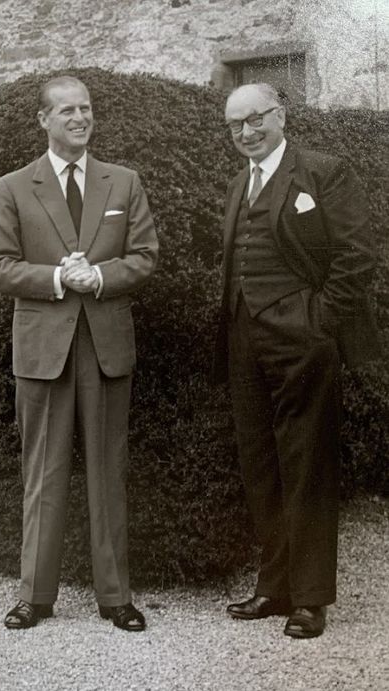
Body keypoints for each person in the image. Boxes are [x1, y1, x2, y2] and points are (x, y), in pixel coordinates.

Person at [0, 76, 159, 631]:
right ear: (44, 120)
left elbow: (146, 256)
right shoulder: (12, 187)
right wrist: (59, 276)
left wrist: (100, 275)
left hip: (106, 345)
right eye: (66, 111)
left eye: (85, 109)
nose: (79, 118)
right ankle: (35, 596)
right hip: (43, 348)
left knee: (109, 470)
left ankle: (115, 597)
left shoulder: (123, 182)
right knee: (43, 471)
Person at [213, 83, 380, 639]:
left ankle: (310, 599)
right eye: (235, 125)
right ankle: (273, 586)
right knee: (260, 462)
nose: (246, 132)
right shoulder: (240, 182)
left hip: (302, 339)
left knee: (306, 464)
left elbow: (357, 254)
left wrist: (318, 320)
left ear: (280, 116)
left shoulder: (324, 172)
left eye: (255, 119)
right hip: (244, 338)